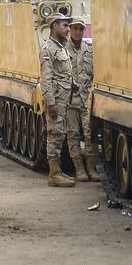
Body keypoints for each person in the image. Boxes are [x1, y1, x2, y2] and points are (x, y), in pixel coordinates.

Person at [38, 16, 77, 187]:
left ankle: (59, 171)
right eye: (65, 26)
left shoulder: (61, 47)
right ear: (54, 26)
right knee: (54, 135)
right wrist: (50, 102)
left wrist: (73, 84)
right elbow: (46, 79)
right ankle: (54, 174)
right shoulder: (48, 49)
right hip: (56, 100)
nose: (69, 29)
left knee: (60, 134)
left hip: (64, 98)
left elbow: (62, 73)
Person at [63, 18, 97, 182]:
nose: (78, 31)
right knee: (73, 135)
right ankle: (79, 170)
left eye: (81, 29)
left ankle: (91, 168)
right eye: (75, 28)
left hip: (86, 100)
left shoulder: (90, 49)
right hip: (70, 101)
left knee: (90, 135)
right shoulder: (62, 49)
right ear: (70, 29)